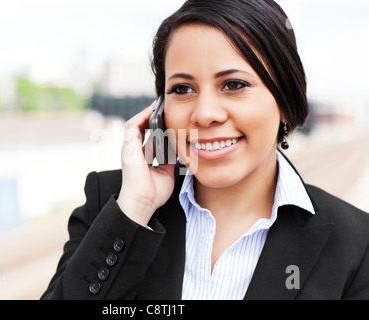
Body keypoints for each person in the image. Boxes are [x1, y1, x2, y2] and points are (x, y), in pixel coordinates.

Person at [41, 0, 369, 300]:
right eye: (182, 89)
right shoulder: (113, 205)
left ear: (284, 100)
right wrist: (135, 210)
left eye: (234, 85)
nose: (205, 113)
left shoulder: (357, 245)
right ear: (158, 111)